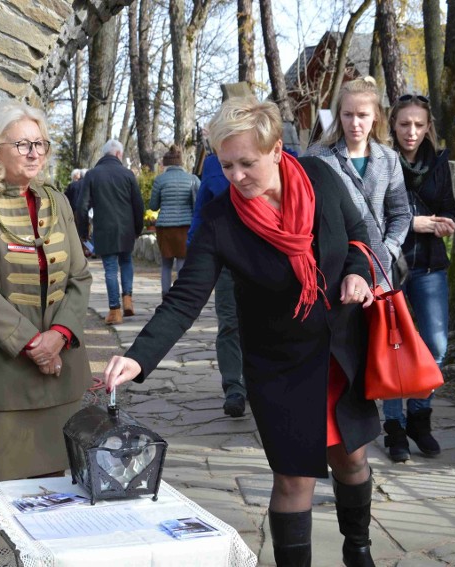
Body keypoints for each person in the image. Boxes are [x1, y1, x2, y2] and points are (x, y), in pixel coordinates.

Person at [105, 98, 382, 567]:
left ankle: (359, 551)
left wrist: (358, 274)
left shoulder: (320, 176)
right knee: (293, 479)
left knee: (351, 460)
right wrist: (139, 357)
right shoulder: (219, 221)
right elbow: (185, 299)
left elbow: (357, 234)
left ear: (276, 150)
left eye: (246, 163)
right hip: (279, 365)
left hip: (339, 350)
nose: (235, 176)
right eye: (226, 164)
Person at [0, 101, 93, 482]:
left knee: (59, 495)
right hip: (0, 376)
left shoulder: (57, 201)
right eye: (22, 145)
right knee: (6, 496)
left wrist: (59, 336)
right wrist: (33, 344)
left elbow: (79, 277)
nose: (34, 153)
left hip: (59, 373)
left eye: (40, 143)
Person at [383, 94, 455, 461]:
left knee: (436, 346)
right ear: (393, 125)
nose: (411, 131)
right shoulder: (381, 161)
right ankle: (393, 428)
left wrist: (442, 224)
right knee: (393, 348)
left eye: (419, 125)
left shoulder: (439, 163)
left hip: (428, 264)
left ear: (428, 128)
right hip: (390, 266)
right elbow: (370, 215)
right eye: (404, 124)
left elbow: (448, 210)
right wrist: (416, 223)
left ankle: (419, 416)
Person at [305, 76, 411, 292]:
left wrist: (389, 249)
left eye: (362, 115)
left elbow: (401, 213)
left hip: (379, 270)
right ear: (339, 116)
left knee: (380, 326)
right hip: (333, 271)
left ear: (376, 117)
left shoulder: (389, 159)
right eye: (348, 115)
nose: (354, 123)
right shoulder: (316, 158)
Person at [188, 151, 247, 417]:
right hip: (226, 258)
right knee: (229, 321)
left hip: (266, 257)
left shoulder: (275, 152)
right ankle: (234, 387)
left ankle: (261, 384)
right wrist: (194, 247)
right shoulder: (212, 162)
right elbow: (203, 209)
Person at [76, 140, 144, 325]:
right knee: (126, 261)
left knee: (111, 269)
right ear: (118, 154)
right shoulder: (127, 174)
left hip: (104, 228)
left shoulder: (92, 174)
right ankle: (128, 299)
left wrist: (83, 233)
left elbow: (82, 207)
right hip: (126, 228)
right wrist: (138, 228)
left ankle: (115, 310)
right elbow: (138, 205)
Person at [149, 144, 199, 296]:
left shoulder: (160, 180)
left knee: (166, 264)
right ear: (180, 162)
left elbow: (153, 205)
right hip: (186, 226)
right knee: (182, 261)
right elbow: (199, 203)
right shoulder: (192, 179)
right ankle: (181, 294)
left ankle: (166, 294)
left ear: (165, 163)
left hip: (165, 227)